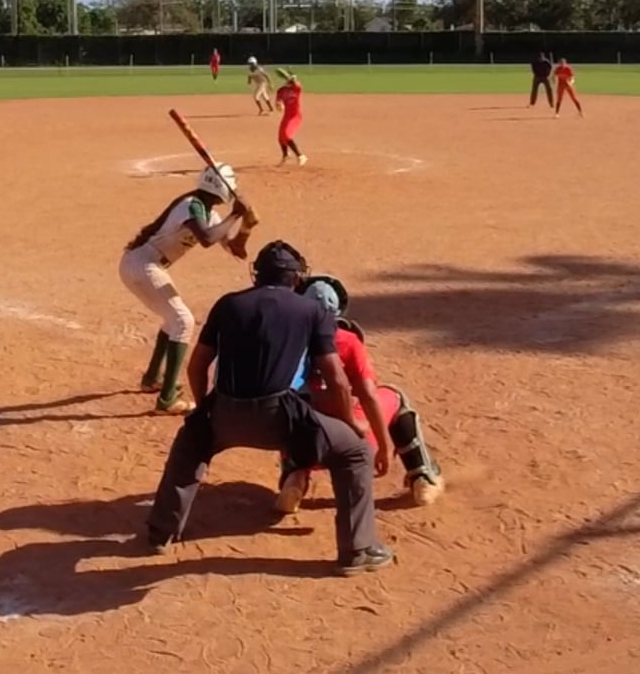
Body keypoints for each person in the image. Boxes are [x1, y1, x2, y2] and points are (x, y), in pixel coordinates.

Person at [146, 240, 395, 576]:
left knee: (190, 444)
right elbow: (337, 380)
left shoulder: (228, 304)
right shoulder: (313, 312)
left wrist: (206, 410)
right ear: (297, 278)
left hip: (224, 413)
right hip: (281, 418)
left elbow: (197, 365)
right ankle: (357, 550)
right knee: (355, 452)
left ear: (257, 275)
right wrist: (351, 422)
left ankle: (161, 533)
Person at [276, 273, 444, 513]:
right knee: (395, 397)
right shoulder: (347, 340)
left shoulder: (288, 339)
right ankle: (423, 477)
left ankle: (294, 477)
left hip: (305, 440)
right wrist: (384, 447)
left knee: (293, 410)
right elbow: (368, 394)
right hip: (350, 437)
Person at [120, 163, 255, 414]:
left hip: (149, 265)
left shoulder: (210, 215)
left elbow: (236, 250)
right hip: (142, 263)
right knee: (183, 321)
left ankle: (152, 379)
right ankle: (167, 400)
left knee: (172, 319)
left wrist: (246, 226)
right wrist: (235, 215)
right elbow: (206, 239)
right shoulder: (191, 205)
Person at [274, 67, 307, 166]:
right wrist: (278, 105)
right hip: (286, 116)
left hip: (295, 116)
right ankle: (285, 156)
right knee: (281, 138)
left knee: (286, 135)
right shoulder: (281, 91)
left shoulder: (296, 88)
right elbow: (278, 104)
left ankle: (301, 156)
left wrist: (290, 77)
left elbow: (296, 82)